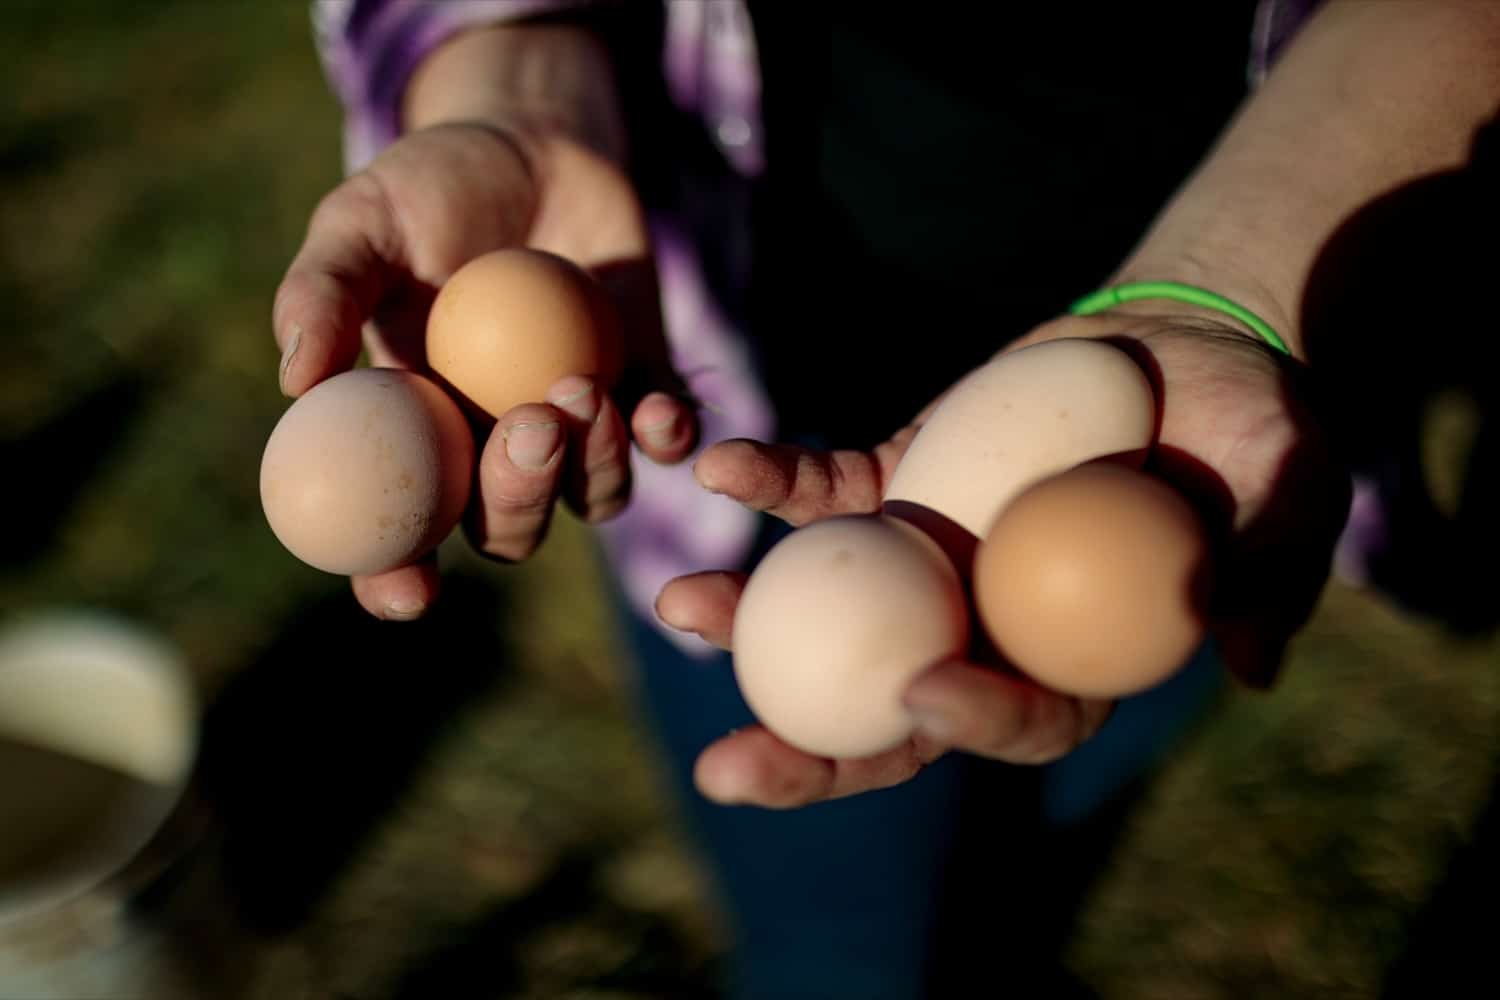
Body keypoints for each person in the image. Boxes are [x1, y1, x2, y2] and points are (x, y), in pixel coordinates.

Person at [274, 2, 1499, 994]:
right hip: (748, 375)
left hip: (1187, 407)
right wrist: (519, 72)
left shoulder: (1171, 466)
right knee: (845, 947)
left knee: (1066, 778)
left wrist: (1235, 288)